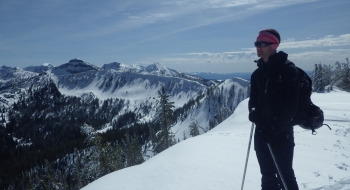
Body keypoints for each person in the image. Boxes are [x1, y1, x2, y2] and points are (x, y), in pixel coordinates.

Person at [248, 29, 300, 190]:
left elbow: (292, 106)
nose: (258, 47)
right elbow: (253, 101)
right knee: (267, 174)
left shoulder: (288, 70)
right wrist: (254, 114)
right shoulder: (258, 74)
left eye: (262, 43)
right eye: (256, 43)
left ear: (274, 45)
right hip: (262, 131)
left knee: (285, 174)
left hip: (281, 132)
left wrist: (275, 129)